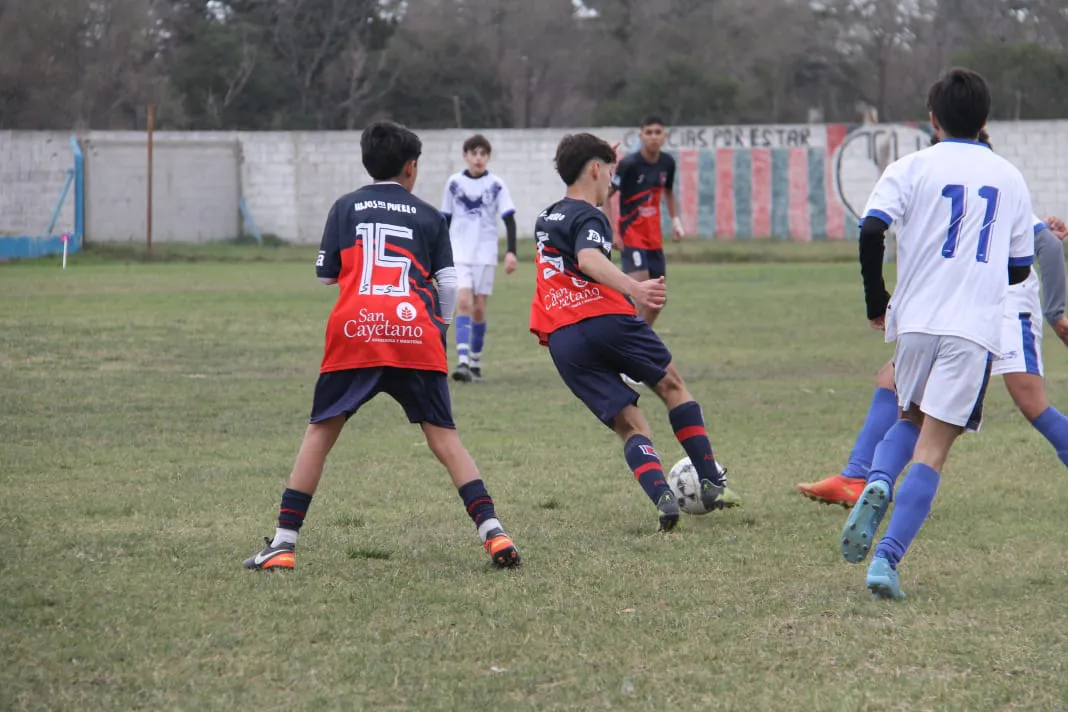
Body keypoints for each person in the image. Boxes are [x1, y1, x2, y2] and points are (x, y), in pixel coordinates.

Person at [243, 121, 520, 571]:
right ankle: (494, 532)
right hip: (416, 333)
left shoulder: (344, 207)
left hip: (355, 333)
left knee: (320, 433)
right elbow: (448, 284)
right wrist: (439, 328)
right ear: (411, 167)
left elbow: (326, 274)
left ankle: (284, 543)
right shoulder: (429, 215)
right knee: (446, 440)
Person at [839, 68, 1035, 599]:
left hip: (917, 321)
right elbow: (1020, 268)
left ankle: (878, 480)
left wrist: (876, 299)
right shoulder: (1009, 177)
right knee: (934, 447)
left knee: (908, 415)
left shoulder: (910, 166)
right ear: (985, 120)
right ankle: (886, 561)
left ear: (932, 119)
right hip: (972, 330)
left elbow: (872, 229)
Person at [797, 134, 1068, 509]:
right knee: (892, 382)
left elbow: (1047, 247)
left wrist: (1056, 313)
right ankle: (857, 476)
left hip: (1005, 305)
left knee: (1031, 402)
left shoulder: (987, 183)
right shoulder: (990, 183)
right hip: (968, 307)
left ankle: (862, 477)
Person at [530, 132, 736, 532]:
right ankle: (710, 480)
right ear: (595, 168)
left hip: (562, 337)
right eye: (609, 170)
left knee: (630, 425)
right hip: (606, 319)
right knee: (673, 387)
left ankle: (663, 496)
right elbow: (589, 258)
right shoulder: (590, 215)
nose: (612, 180)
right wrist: (635, 287)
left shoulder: (546, 217)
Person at [440, 134, 518, 383]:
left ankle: (475, 361)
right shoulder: (454, 183)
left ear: (488, 157)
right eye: (474, 153)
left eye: (483, 154)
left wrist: (511, 252)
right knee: (463, 300)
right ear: (465, 156)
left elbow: (509, 219)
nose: (478, 158)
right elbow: (445, 219)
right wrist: (438, 251)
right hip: (459, 251)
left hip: (485, 253)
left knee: (479, 308)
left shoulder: (496, 184)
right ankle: (462, 362)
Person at [607, 115, 684, 329]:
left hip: (654, 239)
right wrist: (612, 231)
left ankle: (636, 342)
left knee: (657, 300)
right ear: (641, 136)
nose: (653, 137)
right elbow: (606, 194)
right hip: (632, 237)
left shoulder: (667, 163)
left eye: (657, 132)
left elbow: (668, 191)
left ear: (664, 136)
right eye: (648, 133)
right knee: (643, 295)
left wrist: (676, 222)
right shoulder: (629, 164)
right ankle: (633, 346)